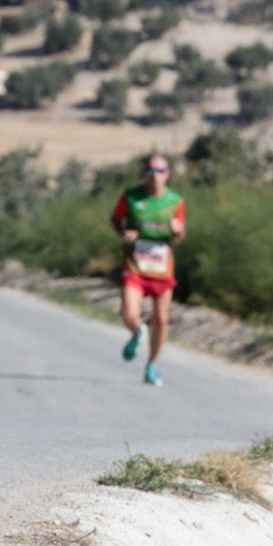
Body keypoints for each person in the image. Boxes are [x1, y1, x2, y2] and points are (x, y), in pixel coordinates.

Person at [110, 153, 185, 387]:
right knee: (129, 313)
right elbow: (115, 219)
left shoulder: (175, 201)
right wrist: (124, 233)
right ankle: (138, 331)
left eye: (160, 171)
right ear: (144, 174)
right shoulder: (131, 197)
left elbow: (181, 236)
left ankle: (152, 365)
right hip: (135, 267)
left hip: (162, 270)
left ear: (168, 174)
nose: (156, 176)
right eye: (151, 171)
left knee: (162, 320)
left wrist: (176, 231)